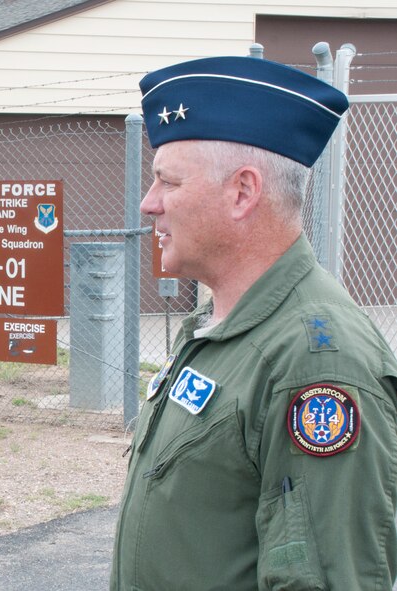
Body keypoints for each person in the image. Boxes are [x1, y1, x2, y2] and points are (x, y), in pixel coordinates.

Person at [112, 56, 397, 589]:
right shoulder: (218, 320)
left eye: (167, 182)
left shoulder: (315, 361)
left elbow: (331, 575)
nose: (149, 204)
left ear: (243, 191)